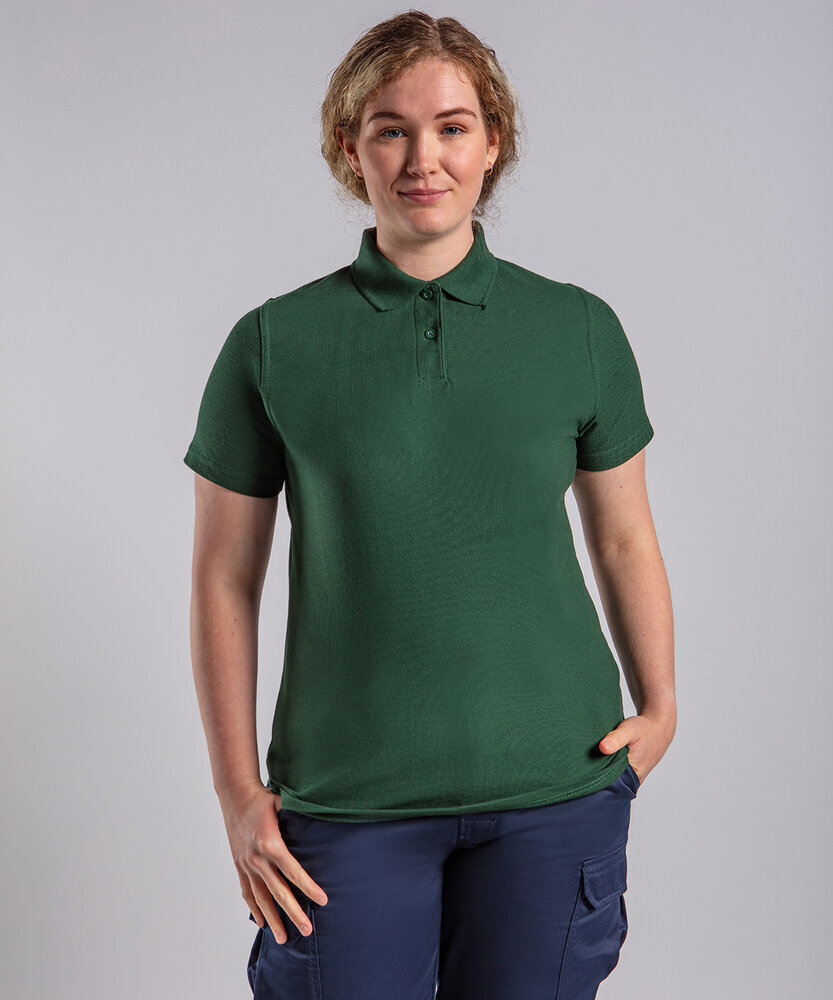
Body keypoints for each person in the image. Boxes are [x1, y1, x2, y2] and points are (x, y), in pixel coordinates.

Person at [184, 11, 676, 1000]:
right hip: (346, 804)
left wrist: (659, 708)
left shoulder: (577, 329)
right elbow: (223, 575)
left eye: (452, 127)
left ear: (492, 143)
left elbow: (623, 538)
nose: (423, 159)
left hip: (555, 788)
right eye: (390, 129)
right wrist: (237, 792)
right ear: (349, 148)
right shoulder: (273, 343)